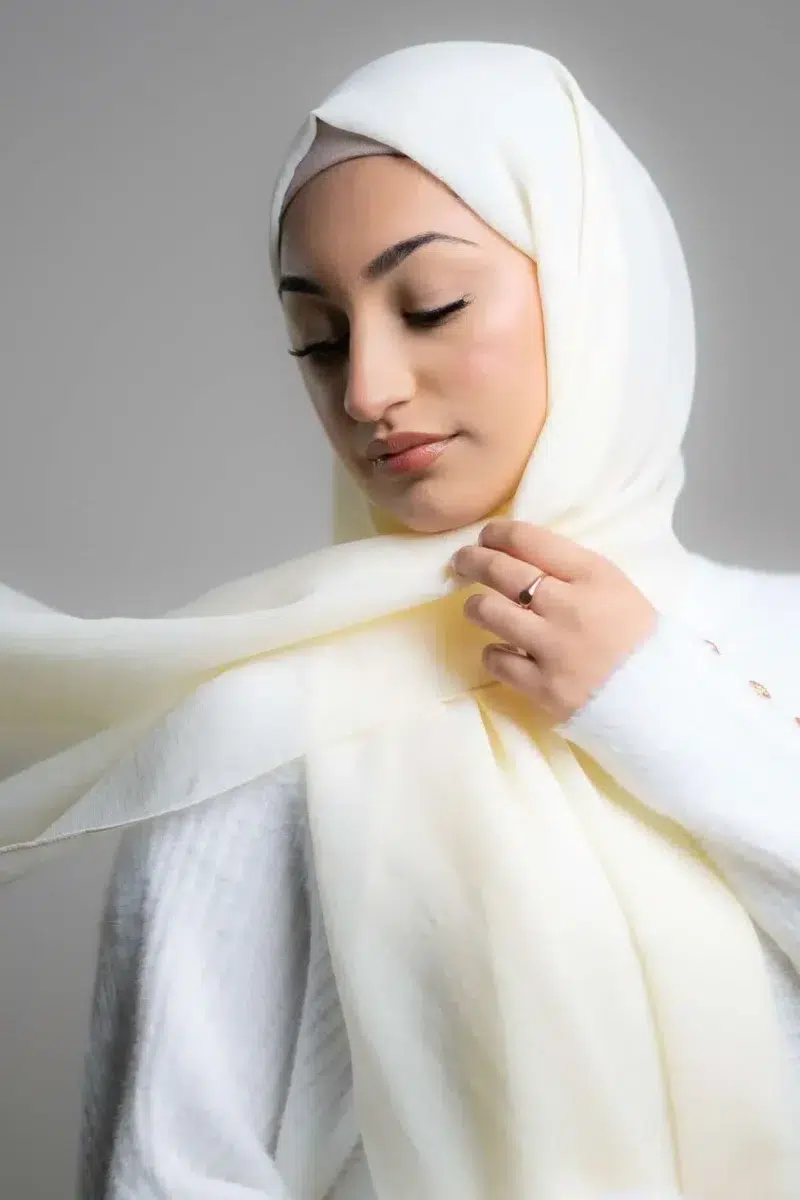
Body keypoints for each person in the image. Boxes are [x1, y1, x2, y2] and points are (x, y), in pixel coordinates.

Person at [0, 40, 797, 1200]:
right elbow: (166, 1172)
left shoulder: (777, 642)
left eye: (431, 306)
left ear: (591, 287)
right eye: (317, 339)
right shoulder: (265, 720)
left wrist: (650, 703)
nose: (364, 388)